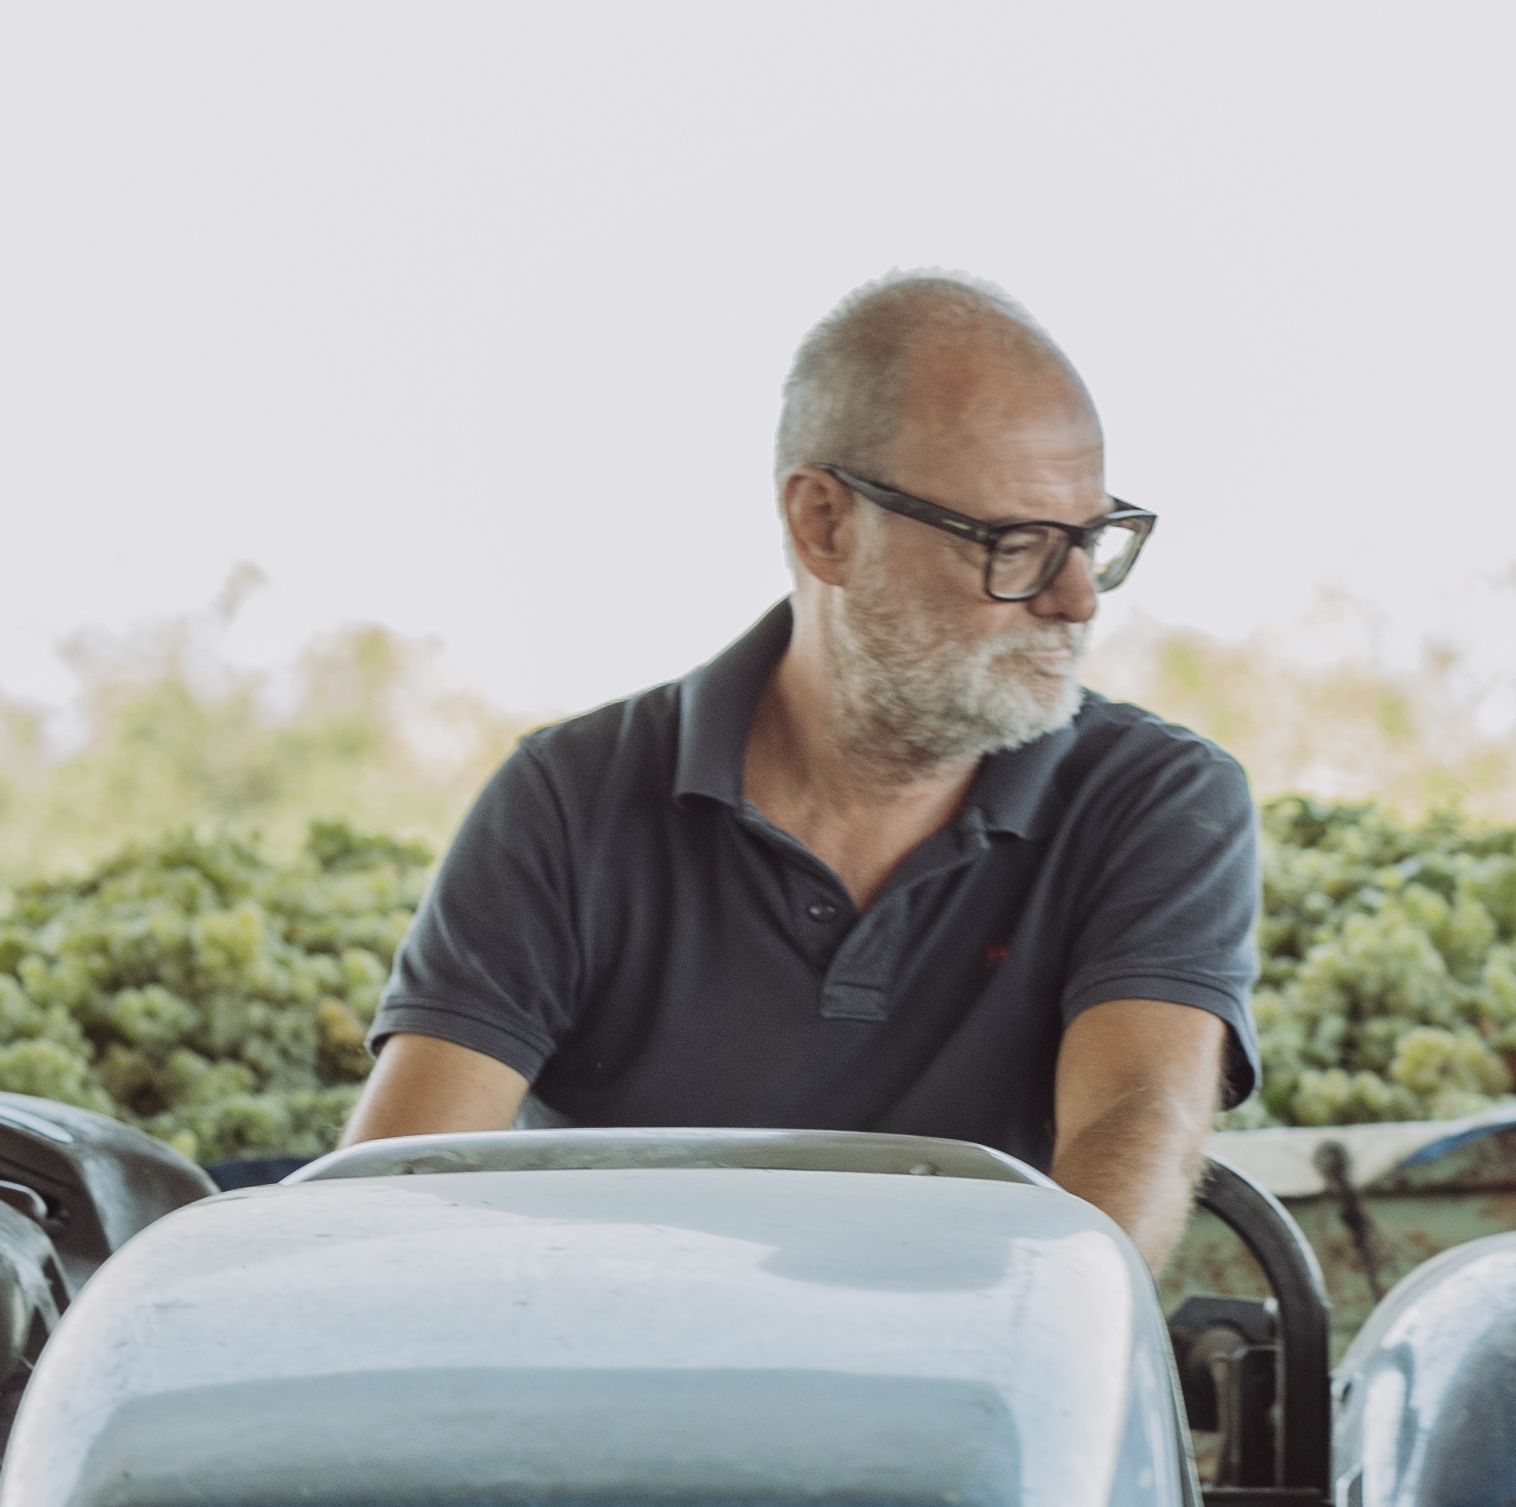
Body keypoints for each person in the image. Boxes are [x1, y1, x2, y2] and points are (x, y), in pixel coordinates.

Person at [350, 275, 1252, 1267]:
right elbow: (400, 1197)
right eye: (1017, 544)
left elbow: (1138, 1121)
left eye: (1090, 539)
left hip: (988, 1381)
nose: (1078, 598)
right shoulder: (570, 800)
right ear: (825, 523)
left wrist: (1048, 1338)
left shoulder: (1158, 800)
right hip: (617, 1390)